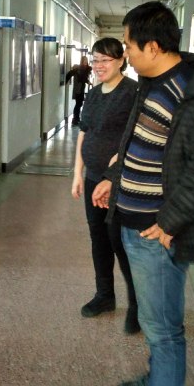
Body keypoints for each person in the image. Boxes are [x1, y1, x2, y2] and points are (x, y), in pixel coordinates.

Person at [92, 1, 194, 386]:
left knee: (163, 329)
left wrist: (170, 222)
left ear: (154, 47)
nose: (126, 54)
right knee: (154, 321)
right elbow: (138, 143)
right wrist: (114, 177)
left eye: (129, 46)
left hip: (156, 232)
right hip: (134, 223)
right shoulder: (152, 84)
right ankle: (158, 377)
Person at [71, 37, 140, 334]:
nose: (99, 66)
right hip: (93, 178)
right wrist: (78, 173)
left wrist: (112, 175)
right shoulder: (94, 93)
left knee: (120, 241)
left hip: (118, 181)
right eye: (95, 60)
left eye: (105, 60)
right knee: (98, 237)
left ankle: (138, 304)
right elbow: (84, 133)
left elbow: (133, 138)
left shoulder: (132, 92)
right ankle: (105, 295)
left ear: (121, 60)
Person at [66, 55, 92, 125]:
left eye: (86, 61)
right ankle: (75, 119)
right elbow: (70, 74)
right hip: (78, 90)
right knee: (78, 104)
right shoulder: (78, 69)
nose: (85, 62)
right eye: (84, 61)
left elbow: (84, 78)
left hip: (81, 89)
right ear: (82, 61)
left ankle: (76, 118)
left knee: (79, 104)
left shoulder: (85, 69)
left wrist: (88, 82)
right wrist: (65, 81)